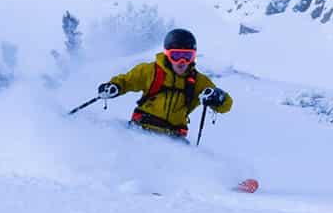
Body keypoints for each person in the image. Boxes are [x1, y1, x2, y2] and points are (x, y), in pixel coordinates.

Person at [96, 29, 233, 140]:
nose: (181, 62)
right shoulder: (151, 71)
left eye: (187, 56)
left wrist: (219, 98)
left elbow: (226, 105)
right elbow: (127, 81)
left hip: (173, 138)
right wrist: (115, 86)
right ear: (167, 54)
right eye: (176, 55)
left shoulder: (198, 81)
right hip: (140, 130)